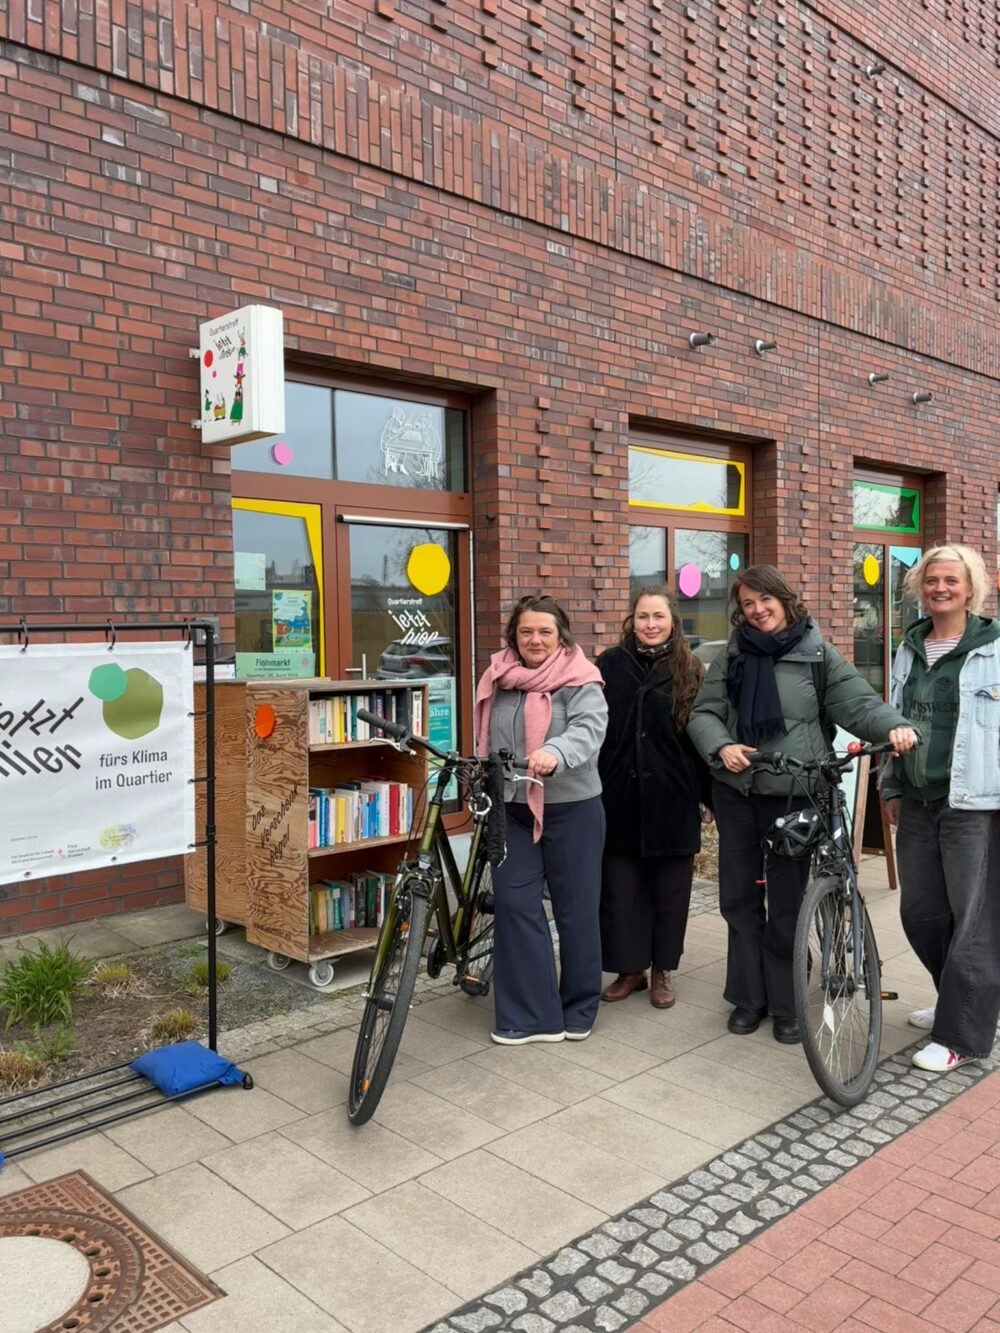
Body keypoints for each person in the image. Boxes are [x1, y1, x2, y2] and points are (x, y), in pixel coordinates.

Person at [688, 565, 918, 1043]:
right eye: (747, 603)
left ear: (785, 599)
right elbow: (704, 712)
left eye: (765, 600)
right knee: (738, 898)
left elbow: (859, 704)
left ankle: (786, 1002)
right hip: (737, 791)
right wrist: (721, 745)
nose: (757, 610)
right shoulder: (732, 655)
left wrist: (894, 725)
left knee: (787, 902)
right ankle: (748, 997)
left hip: (795, 791)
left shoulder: (817, 653)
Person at [880, 544, 1000, 1073]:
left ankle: (960, 1035)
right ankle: (956, 998)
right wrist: (890, 786)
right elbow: (894, 718)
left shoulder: (993, 648)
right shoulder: (909, 648)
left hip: (974, 803)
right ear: (919, 589)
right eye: (931, 580)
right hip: (917, 800)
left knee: (973, 922)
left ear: (970, 589)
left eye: (951, 580)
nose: (940, 588)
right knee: (921, 914)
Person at [474, 595, 608, 1045]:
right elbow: (486, 734)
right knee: (514, 903)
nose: (535, 640)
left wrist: (555, 751)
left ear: (561, 636)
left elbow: (589, 729)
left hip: (573, 808)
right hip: (512, 808)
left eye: (545, 631)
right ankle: (531, 1015)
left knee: (576, 911)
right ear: (513, 636)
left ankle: (579, 1006)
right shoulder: (499, 677)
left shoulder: (581, 679)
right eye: (526, 631)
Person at [596, 586, 709, 1009]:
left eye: (658, 616)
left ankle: (662, 969)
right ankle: (631, 970)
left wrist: (708, 796)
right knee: (621, 891)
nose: (650, 624)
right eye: (643, 616)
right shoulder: (610, 664)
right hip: (618, 794)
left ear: (672, 621)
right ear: (632, 620)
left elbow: (701, 736)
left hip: (673, 796)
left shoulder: (690, 668)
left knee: (670, 892)